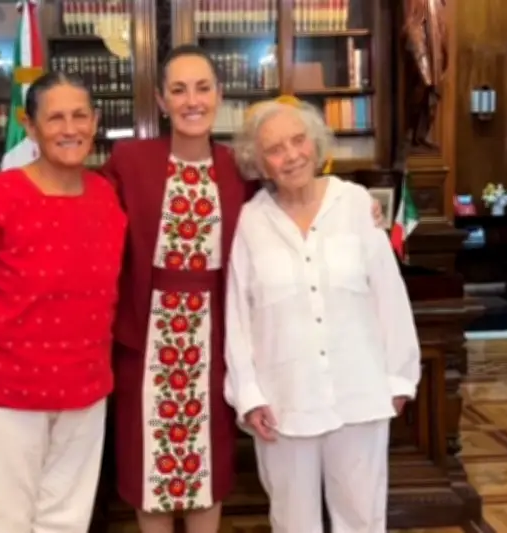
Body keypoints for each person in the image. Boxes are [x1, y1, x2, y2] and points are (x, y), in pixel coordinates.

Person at [101, 44, 386, 533]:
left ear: (219, 94)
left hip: (216, 341)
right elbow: (88, 214)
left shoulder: (240, 169)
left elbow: (295, 190)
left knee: (208, 467)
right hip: (149, 343)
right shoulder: (130, 161)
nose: (192, 100)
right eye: (179, 89)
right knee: (149, 469)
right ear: (161, 100)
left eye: (203, 87)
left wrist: (365, 207)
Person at [0, 72, 127, 533]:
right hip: (4, 395)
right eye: (55, 118)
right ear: (31, 127)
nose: (70, 128)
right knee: (7, 522)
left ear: (95, 122)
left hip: (85, 388)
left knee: (67, 521)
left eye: (80, 115)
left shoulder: (106, 197)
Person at [224, 98, 421, 533]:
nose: (291, 155)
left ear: (315, 144)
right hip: (283, 404)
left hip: (360, 394)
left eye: (298, 141)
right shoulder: (250, 222)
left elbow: (389, 296)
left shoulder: (355, 204)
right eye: (275, 149)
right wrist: (249, 394)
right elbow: (238, 315)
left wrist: (399, 377)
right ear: (259, 162)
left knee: (362, 519)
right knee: (293, 523)